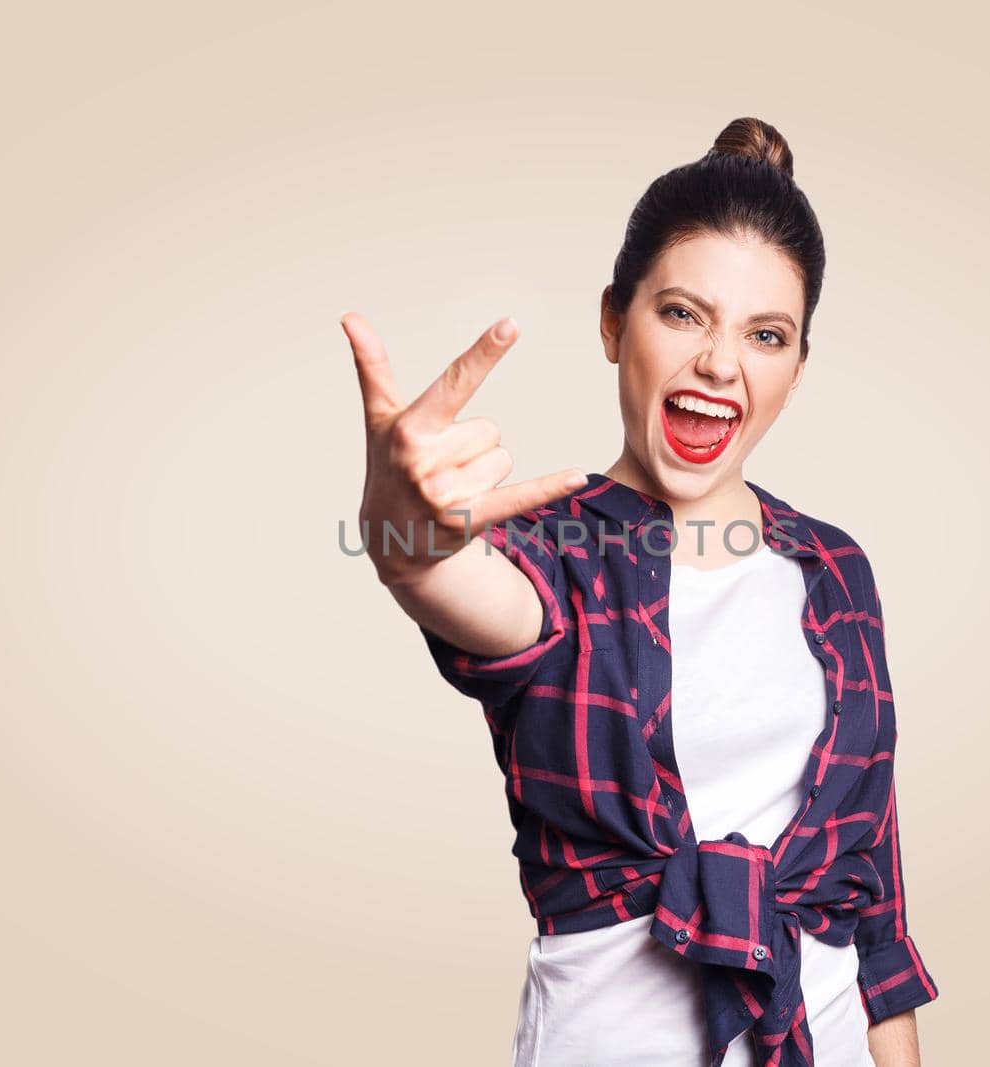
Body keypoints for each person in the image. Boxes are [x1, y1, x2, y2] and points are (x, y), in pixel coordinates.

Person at [346, 117, 938, 1067]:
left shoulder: (836, 573)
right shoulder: (551, 555)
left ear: (795, 369)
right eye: (683, 314)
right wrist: (403, 537)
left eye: (766, 334)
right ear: (614, 322)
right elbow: (452, 584)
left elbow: (873, 904)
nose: (719, 362)